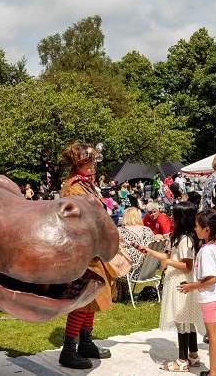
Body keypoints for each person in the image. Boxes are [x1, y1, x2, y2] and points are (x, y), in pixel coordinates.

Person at [57, 143, 119, 369]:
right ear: (78, 165)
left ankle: (85, 342)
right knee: (82, 299)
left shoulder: (86, 185)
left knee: (95, 297)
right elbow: (75, 222)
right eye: (89, 162)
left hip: (95, 249)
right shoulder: (73, 188)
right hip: (82, 252)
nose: (93, 166)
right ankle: (68, 350)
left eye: (94, 161)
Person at [141, 202, 205, 371]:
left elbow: (187, 266)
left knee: (182, 320)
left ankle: (182, 360)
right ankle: (193, 355)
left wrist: (167, 262)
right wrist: (148, 251)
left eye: (174, 216)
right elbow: (168, 255)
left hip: (181, 282)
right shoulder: (179, 237)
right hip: (177, 281)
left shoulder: (186, 240)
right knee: (187, 320)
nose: (171, 218)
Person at [178, 209, 216, 376]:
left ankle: (213, 372)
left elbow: (211, 278)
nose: (194, 228)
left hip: (209, 297)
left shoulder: (206, 251)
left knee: (213, 335)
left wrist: (191, 286)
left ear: (207, 229)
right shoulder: (214, 246)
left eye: (197, 226)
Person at [118, 207, 156, 280]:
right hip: (149, 269)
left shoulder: (120, 231)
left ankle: (122, 291)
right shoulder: (148, 230)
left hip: (132, 270)